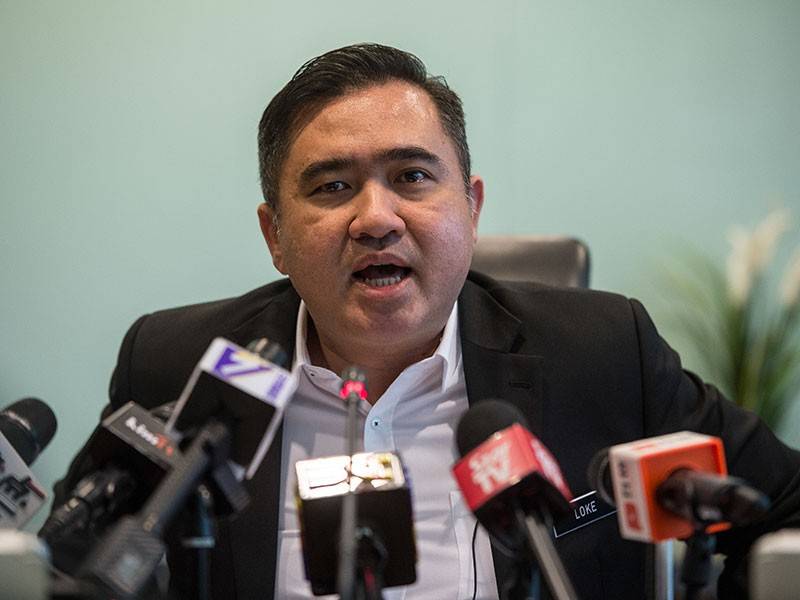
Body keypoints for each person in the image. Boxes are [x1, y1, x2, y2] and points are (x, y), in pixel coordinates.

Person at [51, 43, 800, 599]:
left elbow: (785, 510)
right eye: (332, 186)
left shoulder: (603, 355)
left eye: (411, 176)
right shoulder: (178, 364)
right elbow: (64, 563)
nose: (375, 218)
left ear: (471, 208)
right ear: (275, 235)